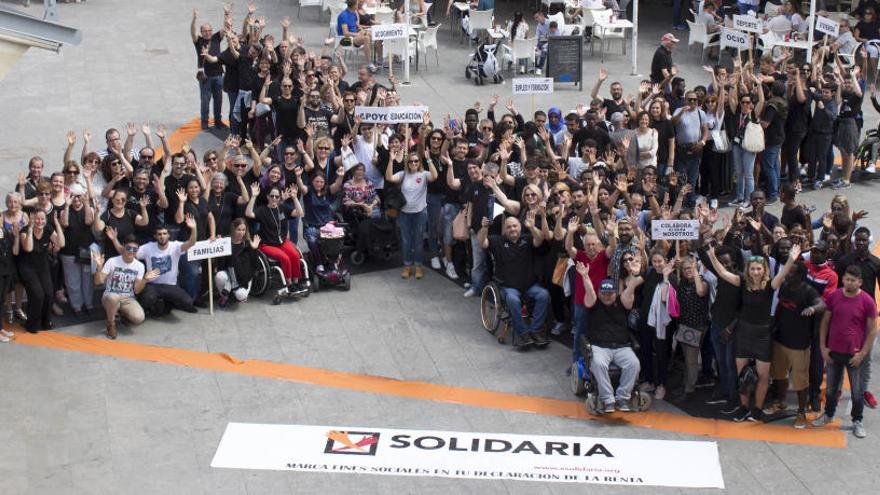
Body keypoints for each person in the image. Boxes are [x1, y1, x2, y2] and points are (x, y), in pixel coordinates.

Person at [707, 243, 800, 422]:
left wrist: (791, 259)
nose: (755, 272)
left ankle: (757, 410)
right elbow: (723, 273)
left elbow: (782, 274)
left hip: (763, 336)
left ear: (763, 270)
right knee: (742, 375)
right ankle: (743, 408)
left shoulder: (770, 285)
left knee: (763, 376)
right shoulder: (742, 281)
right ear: (747, 269)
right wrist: (712, 256)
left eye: (758, 269)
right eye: (752, 269)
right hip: (744, 334)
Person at [813, 265, 878, 439]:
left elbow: (873, 330)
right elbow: (825, 323)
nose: (849, 283)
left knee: (857, 392)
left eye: (853, 280)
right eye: (847, 279)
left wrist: (862, 354)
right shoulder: (834, 297)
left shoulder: (867, 301)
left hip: (854, 355)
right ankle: (828, 415)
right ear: (843, 279)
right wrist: (823, 347)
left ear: (860, 282)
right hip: (833, 352)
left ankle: (857, 421)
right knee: (831, 390)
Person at [577, 262, 642, 413]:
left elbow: (630, 289)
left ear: (615, 292)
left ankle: (622, 397)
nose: (607, 296)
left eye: (610, 293)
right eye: (604, 293)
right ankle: (608, 400)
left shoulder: (622, 301)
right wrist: (585, 276)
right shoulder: (593, 303)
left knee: (634, 364)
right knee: (598, 364)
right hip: (600, 346)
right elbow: (590, 292)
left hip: (622, 346)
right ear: (600, 293)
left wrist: (635, 275)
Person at [478, 213, 550, 347]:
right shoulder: (497, 241)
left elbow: (540, 239)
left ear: (520, 227)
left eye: (515, 226)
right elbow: (482, 242)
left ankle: (535, 330)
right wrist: (483, 228)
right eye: (509, 227)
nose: (512, 229)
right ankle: (523, 333)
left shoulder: (527, 239)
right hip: (508, 286)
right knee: (513, 300)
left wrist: (533, 227)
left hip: (529, 285)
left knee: (544, 295)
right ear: (505, 229)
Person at [768, 261, 825, 428]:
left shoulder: (808, 291)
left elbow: (822, 304)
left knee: (800, 381)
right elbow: (779, 306)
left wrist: (813, 309)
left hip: (800, 345)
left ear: (800, 275)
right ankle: (781, 401)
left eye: (791, 273)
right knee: (778, 374)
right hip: (781, 340)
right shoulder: (785, 286)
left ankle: (800, 412)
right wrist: (773, 326)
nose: (787, 275)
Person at [385, 149, 439, 279]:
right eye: (411, 161)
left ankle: (418, 266)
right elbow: (389, 177)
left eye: (416, 161)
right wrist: (391, 160)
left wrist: (429, 159)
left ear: (419, 162)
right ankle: (407, 265)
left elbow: (435, 176)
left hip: (420, 212)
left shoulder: (424, 174)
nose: (413, 163)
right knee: (406, 240)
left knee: (418, 240)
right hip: (404, 213)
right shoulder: (403, 174)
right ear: (407, 163)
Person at [246, 183, 308, 294]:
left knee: (295, 255)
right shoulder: (262, 210)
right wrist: (254, 196)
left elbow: (300, 212)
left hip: (282, 241)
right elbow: (248, 213)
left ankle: (296, 281)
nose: (274, 199)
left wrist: (294, 198)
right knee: (284, 258)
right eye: (272, 196)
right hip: (267, 244)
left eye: (277, 196)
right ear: (267, 197)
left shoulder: (282, 208)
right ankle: (289, 284)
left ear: (280, 197)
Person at [93, 236, 159, 339]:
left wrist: (145, 279)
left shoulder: (140, 266)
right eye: (128, 248)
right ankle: (111, 323)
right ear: (123, 247)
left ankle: (121, 313)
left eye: (135, 249)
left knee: (139, 318)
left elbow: (137, 290)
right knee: (113, 297)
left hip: (128, 298)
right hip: (111, 295)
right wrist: (98, 267)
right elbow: (98, 282)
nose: (131, 251)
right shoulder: (112, 261)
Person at [135, 218, 199, 316]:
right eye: (159, 234)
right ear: (155, 236)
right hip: (153, 285)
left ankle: (167, 303)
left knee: (188, 302)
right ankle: (152, 306)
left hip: (170, 285)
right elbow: (130, 253)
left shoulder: (176, 246)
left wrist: (194, 229)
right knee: (147, 299)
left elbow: (191, 243)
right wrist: (115, 240)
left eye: (165, 234)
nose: (162, 236)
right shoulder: (147, 247)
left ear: (169, 235)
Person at [59, 184, 95, 316]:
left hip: (85, 250)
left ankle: (88, 303)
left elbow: (88, 222)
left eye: (79, 196)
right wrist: (67, 205)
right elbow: (65, 223)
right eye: (73, 196)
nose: (76, 199)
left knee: (87, 279)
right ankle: (76, 305)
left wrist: (86, 203)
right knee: (72, 280)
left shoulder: (88, 208)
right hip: (69, 251)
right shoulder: (64, 210)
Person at [191, 8, 226, 130]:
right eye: (204, 31)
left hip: (218, 75)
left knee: (218, 100)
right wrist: (194, 19)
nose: (207, 32)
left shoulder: (216, 38)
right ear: (201, 32)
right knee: (205, 100)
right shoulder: (199, 41)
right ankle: (204, 122)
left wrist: (226, 14)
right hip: (205, 76)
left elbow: (226, 28)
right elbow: (192, 32)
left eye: (209, 30)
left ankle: (218, 121)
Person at [215, 218, 260, 307]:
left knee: (241, 296)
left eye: (243, 230)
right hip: (229, 272)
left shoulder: (247, 243)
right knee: (219, 276)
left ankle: (231, 290)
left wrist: (254, 249)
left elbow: (255, 264)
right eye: (239, 229)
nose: (241, 232)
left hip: (244, 276)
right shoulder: (226, 241)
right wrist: (219, 247)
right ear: (233, 229)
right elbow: (220, 264)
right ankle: (224, 296)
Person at [337, 0, 377, 73]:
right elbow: (345, 33)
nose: (358, 5)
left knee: (370, 34)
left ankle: (374, 59)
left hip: (354, 35)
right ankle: (368, 63)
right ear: (354, 5)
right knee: (366, 38)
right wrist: (358, 34)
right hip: (346, 39)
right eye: (357, 4)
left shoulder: (354, 13)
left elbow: (356, 25)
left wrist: (362, 30)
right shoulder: (343, 15)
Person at [0, 215, 19, 342]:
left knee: (1, 300)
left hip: (6, 271)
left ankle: (1, 328)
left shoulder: (5, 231)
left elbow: (14, 250)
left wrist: (16, 234)